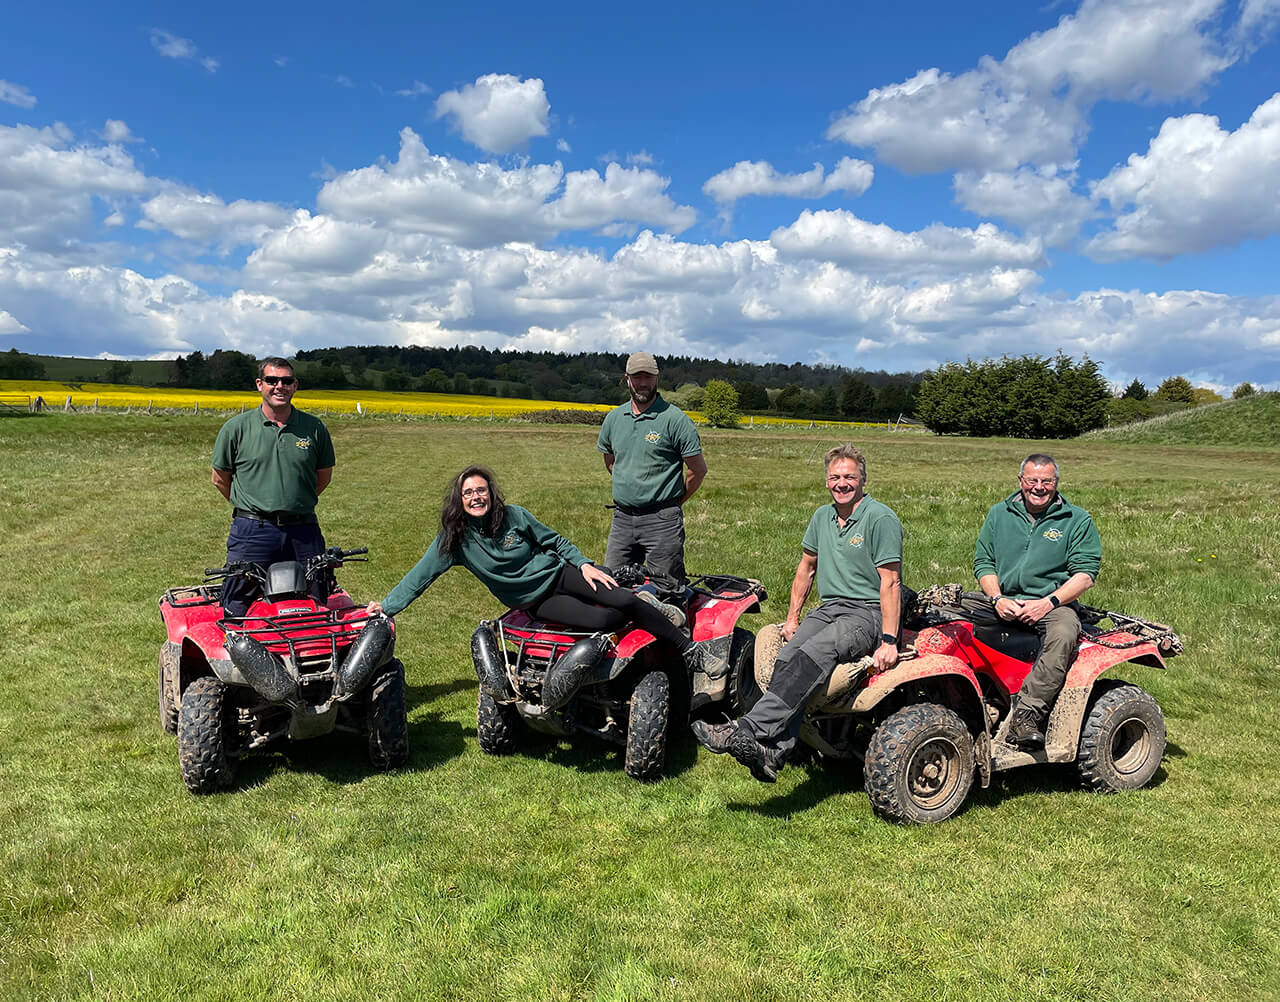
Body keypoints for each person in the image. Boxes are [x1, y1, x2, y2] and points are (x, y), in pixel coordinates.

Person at [365, 466, 709, 683]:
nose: (476, 497)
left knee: (623, 597)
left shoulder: (513, 515)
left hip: (561, 574)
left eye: (481, 490)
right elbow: (418, 577)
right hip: (538, 602)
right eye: (468, 492)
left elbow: (554, 541)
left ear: (490, 492)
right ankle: (644, 608)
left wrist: (585, 565)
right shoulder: (454, 540)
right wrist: (387, 606)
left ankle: (687, 648)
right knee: (606, 620)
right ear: (459, 499)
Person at [691, 445, 903, 782]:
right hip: (830, 607)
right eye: (835, 477)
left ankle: (747, 729)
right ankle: (773, 753)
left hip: (867, 613)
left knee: (817, 652)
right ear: (826, 481)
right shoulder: (822, 517)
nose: (842, 483)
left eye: (849, 476)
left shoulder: (881, 518)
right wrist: (792, 619)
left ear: (864, 479)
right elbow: (806, 569)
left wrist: (889, 640)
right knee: (788, 656)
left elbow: (890, 582)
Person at [969, 453, 1101, 749]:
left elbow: (1085, 575)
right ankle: (964, 698)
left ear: (1056, 483)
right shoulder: (999, 514)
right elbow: (984, 563)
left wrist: (1048, 602)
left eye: (1046, 481)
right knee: (948, 619)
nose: (1039, 487)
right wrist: (997, 598)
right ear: (1021, 481)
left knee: (1064, 635)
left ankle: (1027, 715)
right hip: (1002, 599)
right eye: (1032, 480)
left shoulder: (1075, 520)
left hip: (1053, 604)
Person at [211, 357, 335, 615]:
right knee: (237, 604)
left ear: (295, 386)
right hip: (252, 530)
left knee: (316, 601)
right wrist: (255, 504)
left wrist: (293, 501)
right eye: (272, 380)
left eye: (287, 381)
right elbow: (220, 478)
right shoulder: (236, 428)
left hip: (304, 530)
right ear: (259, 384)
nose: (280, 386)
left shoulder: (313, 428)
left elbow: (322, 476)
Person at [597, 352, 707, 592]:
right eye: (637, 377)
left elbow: (697, 470)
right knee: (612, 586)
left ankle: (677, 628)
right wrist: (630, 487)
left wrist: (674, 502)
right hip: (622, 519)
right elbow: (611, 462)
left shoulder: (675, 420)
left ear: (658, 378)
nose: (643, 383)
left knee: (668, 588)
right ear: (627, 379)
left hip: (662, 520)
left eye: (648, 377)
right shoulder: (615, 419)